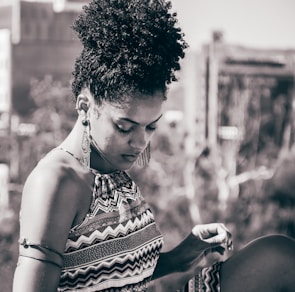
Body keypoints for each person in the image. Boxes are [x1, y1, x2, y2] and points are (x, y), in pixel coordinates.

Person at [13, 0, 295, 291]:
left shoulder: (113, 173)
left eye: (151, 126)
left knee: (276, 256)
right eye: (125, 127)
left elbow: (114, 276)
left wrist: (180, 256)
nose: (139, 141)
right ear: (85, 105)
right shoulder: (56, 181)